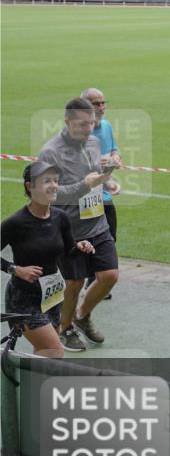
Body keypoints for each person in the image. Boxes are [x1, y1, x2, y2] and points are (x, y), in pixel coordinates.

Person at [38, 97, 119, 352]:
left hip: (97, 224)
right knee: (74, 282)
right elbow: (48, 193)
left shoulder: (94, 142)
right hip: (69, 230)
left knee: (110, 275)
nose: (88, 129)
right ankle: (64, 329)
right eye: (82, 124)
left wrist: (108, 179)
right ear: (67, 122)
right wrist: (86, 185)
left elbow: (94, 173)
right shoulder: (51, 152)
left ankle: (82, 316)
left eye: (91, 124)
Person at [1, 162, 95, 357]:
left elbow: (69, 252)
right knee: (55, 351)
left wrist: (80, 247)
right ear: (30, 186)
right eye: (46, 181)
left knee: (43, 353)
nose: (53, 185)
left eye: (55, 181)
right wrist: (15, 269)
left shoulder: (60, 217)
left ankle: (32, 387)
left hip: (51, 297)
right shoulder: (16, 222)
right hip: (23, 300)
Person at [81, 87, 121, 300]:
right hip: (85, 197)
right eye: (97, 103)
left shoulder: (106, 126)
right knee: (88, 241)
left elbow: (114, 149)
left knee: (109, 237)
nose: (102, 107)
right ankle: (90, 282)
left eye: (103, 102)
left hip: (104, 196)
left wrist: (116, 159)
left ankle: (97, 282)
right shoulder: (78, 134)